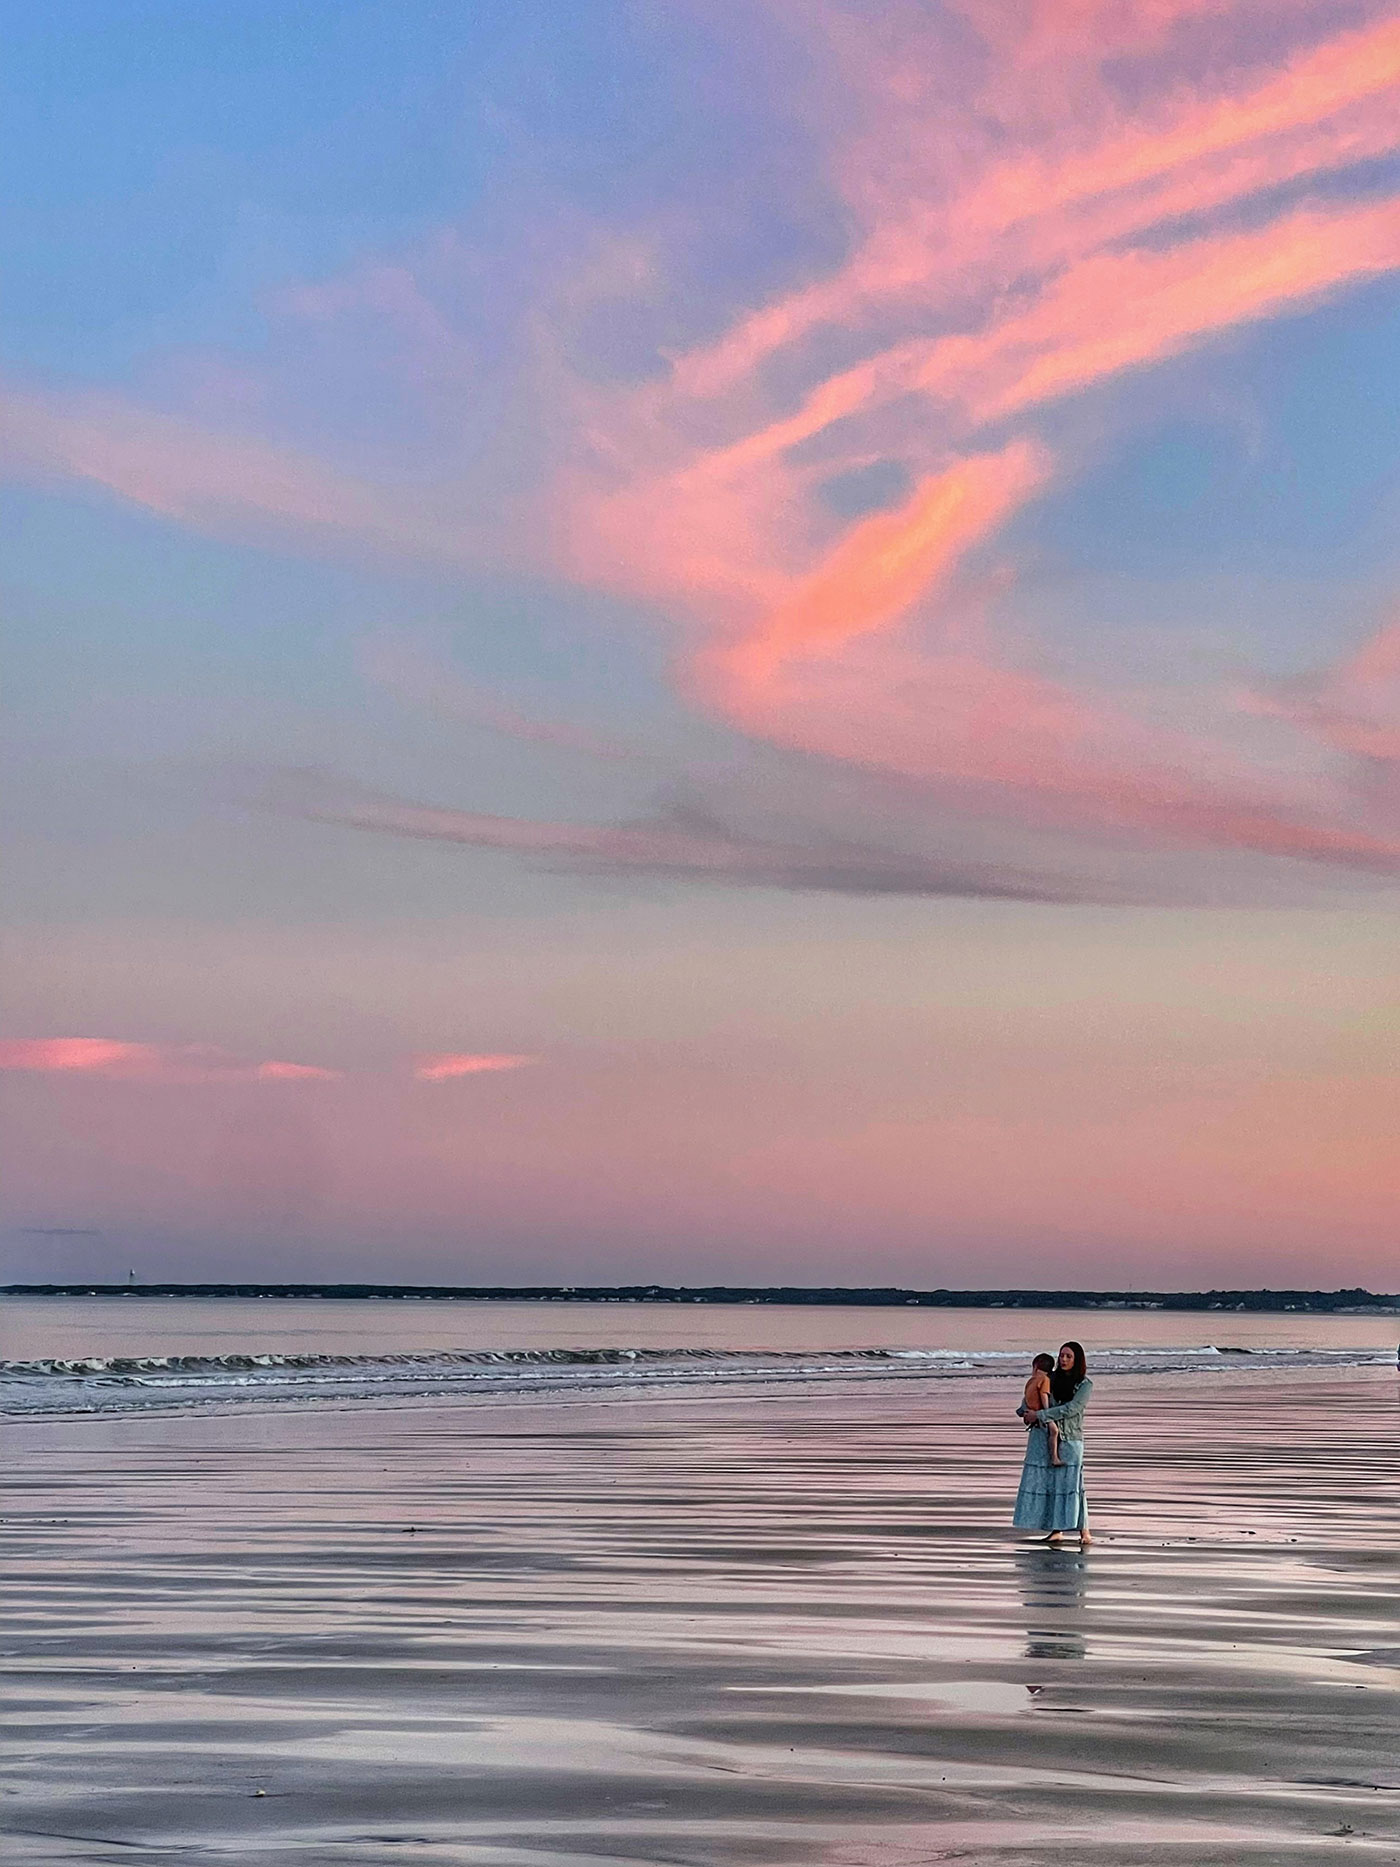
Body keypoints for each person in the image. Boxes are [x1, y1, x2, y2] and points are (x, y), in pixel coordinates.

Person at [1013, 1340, 1093, 1546]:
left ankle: (1085, 1530)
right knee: (1050, 1484)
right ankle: (1057, 1529)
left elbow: (1071, 1409)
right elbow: (1030, 1398)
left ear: (1077, 1360)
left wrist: (1040, 1414)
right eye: (1061, 1355)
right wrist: (1025, 1412)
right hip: (1042, 1438)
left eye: (1068, 1356)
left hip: (1069, 1438)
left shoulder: (1084, 1385)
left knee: (1073, 1485)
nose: (1063, 1359)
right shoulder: (1049, 1378)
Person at [1022, 1353, 1062, 1465]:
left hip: (1030, 1410)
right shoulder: (1044, 1380)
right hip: (1039, 1411)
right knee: (1054, 1432)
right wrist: (1047, 1412)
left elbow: (1026, 1397)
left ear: (1035, 1367)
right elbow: (1043, 1395)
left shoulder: (1031, 1381)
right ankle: (1054, 1457)